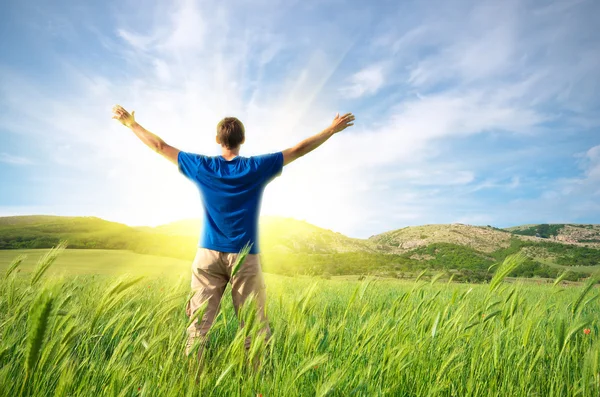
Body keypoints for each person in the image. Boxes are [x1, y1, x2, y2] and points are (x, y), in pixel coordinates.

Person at [111, 105, 355, 365]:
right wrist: (330, 130)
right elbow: (297, 150)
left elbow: (160, 146)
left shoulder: (202, 166)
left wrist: (131, 124)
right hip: (245, 256)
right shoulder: (256, 167)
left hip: (207, 255)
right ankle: (254, 383)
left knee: (198, 328)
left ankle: (195, 382)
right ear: (243, 140)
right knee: (253, 329)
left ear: (218, 140)